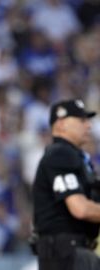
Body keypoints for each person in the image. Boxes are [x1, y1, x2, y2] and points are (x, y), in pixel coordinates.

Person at [32, 99, 100, 270]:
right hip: (65, 254)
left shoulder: (76, 157)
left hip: (72, 251)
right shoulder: (60, 154)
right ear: (61, 124)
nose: (88, 126)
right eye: (81, 120)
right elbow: (80, 208)